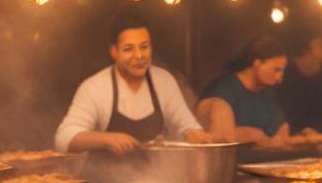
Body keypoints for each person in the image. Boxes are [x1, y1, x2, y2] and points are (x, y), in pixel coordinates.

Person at [55, 12, 209, 153]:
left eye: (144, 47)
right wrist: (107, 139)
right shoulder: (95, 87)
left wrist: (195, 135)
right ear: (114, 52)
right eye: (128, 49)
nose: (139, 55)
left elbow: (187, 126)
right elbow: (63, 138)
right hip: (104, 182)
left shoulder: (164, 81)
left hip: (157, 179)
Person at [198, 35, 298, 147]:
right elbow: (216, 136)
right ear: (257, 63)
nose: (280, 77)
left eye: (282, 71)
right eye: (276, 70)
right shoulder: (223, 89)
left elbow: (280, 132)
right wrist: (252, 135)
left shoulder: (268, 94)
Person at [276, 31, 322, 134]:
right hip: (298, 140)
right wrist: (302, 131)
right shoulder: (287, 80)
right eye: (318, 44)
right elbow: (285, 117)